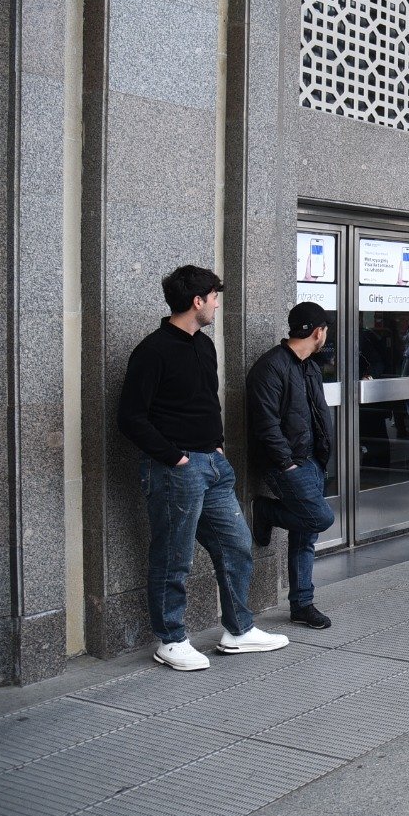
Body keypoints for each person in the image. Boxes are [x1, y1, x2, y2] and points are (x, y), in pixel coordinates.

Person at [118, 265, 288, 671]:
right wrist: (174, 457)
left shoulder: (204, 346)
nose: (216, 305)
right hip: (176, 469)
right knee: (173, 555)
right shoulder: (152, 350)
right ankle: (171, 640)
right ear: (197, 300)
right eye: (213, 297)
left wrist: (217, 446)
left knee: (236, 544)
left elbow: (205, 402)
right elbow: (130, 418)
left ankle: (239, 631)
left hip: (212, 465)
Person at [246, 302, 337, 630]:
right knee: (319, 518)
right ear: (318, 332)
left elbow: (316, 414)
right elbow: (266, 423)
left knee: (305, 535)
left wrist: (321, 455)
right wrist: (286, 464)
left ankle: (302, 604)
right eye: (325, 330)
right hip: (287, 464)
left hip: (312, 460)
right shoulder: (270, 367)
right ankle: (266, 511)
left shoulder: (309, 365)